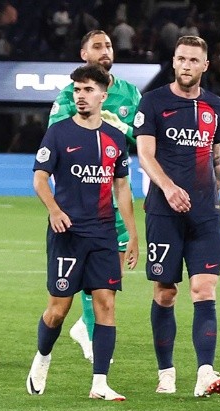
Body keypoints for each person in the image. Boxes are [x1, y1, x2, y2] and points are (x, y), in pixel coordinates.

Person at [26, 64, 138, 400]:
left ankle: (100, 383)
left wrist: (133, 234)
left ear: (103, 95)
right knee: (58, 309)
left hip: (103, 233)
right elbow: (40, 178)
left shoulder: (116, 139)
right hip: (68, 234)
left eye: (88, 90)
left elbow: (122, 188)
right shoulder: (58, 133)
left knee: (106, 304)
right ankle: (42, 358)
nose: (81, 96)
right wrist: (55, 211)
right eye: (77, 90)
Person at [133, 36, 220, 398]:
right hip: (163, 212)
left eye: (194, 60)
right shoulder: (154, 102)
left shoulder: (216, 106)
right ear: (173, 62)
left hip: (205, 216)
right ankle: (166, 371)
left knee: (204, 289)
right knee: (166, 292)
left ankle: (205, 372)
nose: (187, 65)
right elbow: (145, 154)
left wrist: (214, 196)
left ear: (205, 65)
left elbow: (216, 157)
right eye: (181, 59)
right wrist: (170, 189)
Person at [48, 30, 141, 364]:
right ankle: (89, 331)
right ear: (83, 52)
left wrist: (124, 129)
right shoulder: (67, 97)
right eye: (98, 46)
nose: (106, 51)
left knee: (108, 280)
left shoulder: (130, 93)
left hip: (115, 194)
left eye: (109, 46)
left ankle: (86, 327)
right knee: (91, 279)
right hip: (83, 200)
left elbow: (144, 138)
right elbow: (56, 139)